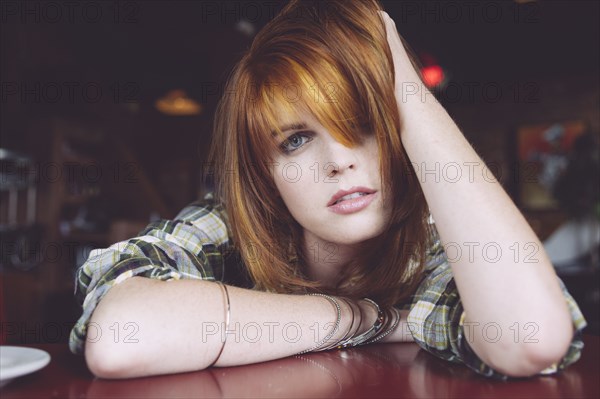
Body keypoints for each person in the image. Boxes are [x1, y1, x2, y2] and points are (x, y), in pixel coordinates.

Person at [70, 0, 587, 380]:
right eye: (296, 140)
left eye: (364, 123)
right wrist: (367, 318)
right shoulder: (225, 226)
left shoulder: (432, 243)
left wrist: (406, 89)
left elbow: (530, 340)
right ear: (264, 172)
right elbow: (120, 339)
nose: (339, 162)